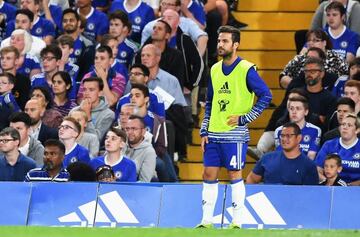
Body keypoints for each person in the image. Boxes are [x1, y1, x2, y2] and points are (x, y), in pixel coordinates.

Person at [197, 26, 272, 228]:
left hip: (234, 134)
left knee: (234, 174)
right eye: (219, 41)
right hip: (213, 132)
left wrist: (244, 118)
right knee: (208, 174)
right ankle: (206, 221)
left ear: (235, 44)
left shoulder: (246, 69)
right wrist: (204, 129)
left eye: (225, 41)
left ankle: (238, 221)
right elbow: (210, 102)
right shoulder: (214, 69)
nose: (220, 45)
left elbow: (266, 95)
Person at [246, 122, 319, 185]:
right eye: (282, 136)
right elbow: (251, 179)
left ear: (299, 138)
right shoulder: (267, 158)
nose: (284, 139)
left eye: (289, 136)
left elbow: (311, 193)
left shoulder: (308, 165)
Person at [280, 29, 348, 89]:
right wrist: (296, 86)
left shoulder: (336, 59)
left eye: (316, 40)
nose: (311, 43)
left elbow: (347, 78)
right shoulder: (300, 58)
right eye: (309, 40)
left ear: (324, 43)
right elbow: (283, 77)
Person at [316, 113, 360, 185]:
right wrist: (329, 183)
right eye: (343, 124)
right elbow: (318, 170)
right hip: (331, 187)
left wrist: (347, 187)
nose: (345, 127)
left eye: (349, 125)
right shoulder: (329, 145)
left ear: (357, 130)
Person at [71, 77, 115, 142]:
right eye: (84, 89)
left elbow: (96, 140)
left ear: (100, 93)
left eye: (91, 90)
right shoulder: (74, 111)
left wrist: (87, 116)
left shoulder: (108, 114)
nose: (86, 93)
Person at [124, 115, 156, 182]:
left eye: (134, 129)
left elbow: (144, 181)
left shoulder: (149, 152)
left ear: (143, 131)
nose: (129, 132)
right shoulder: (119, 145)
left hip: (136, 189)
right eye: (127, 129)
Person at [0, 46, 31, 110]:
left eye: (8, 58)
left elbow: (24, 104)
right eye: (2, 58)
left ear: (16, 61)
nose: (4, 61)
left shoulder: (24, 81)